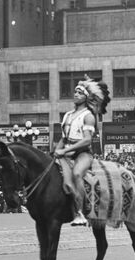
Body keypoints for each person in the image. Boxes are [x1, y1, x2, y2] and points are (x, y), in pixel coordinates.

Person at [52, 75, 111, 226]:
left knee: (77, 174)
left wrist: (65, 151)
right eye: (75, 92)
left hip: (83, 154)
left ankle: (81, 212)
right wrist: (54, 152)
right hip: (66, 152)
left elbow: (86, 140)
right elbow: (63, 138)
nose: (75, 94)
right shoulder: (67, 115)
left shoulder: (89, 116)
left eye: (79, 92)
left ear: (86, 97)